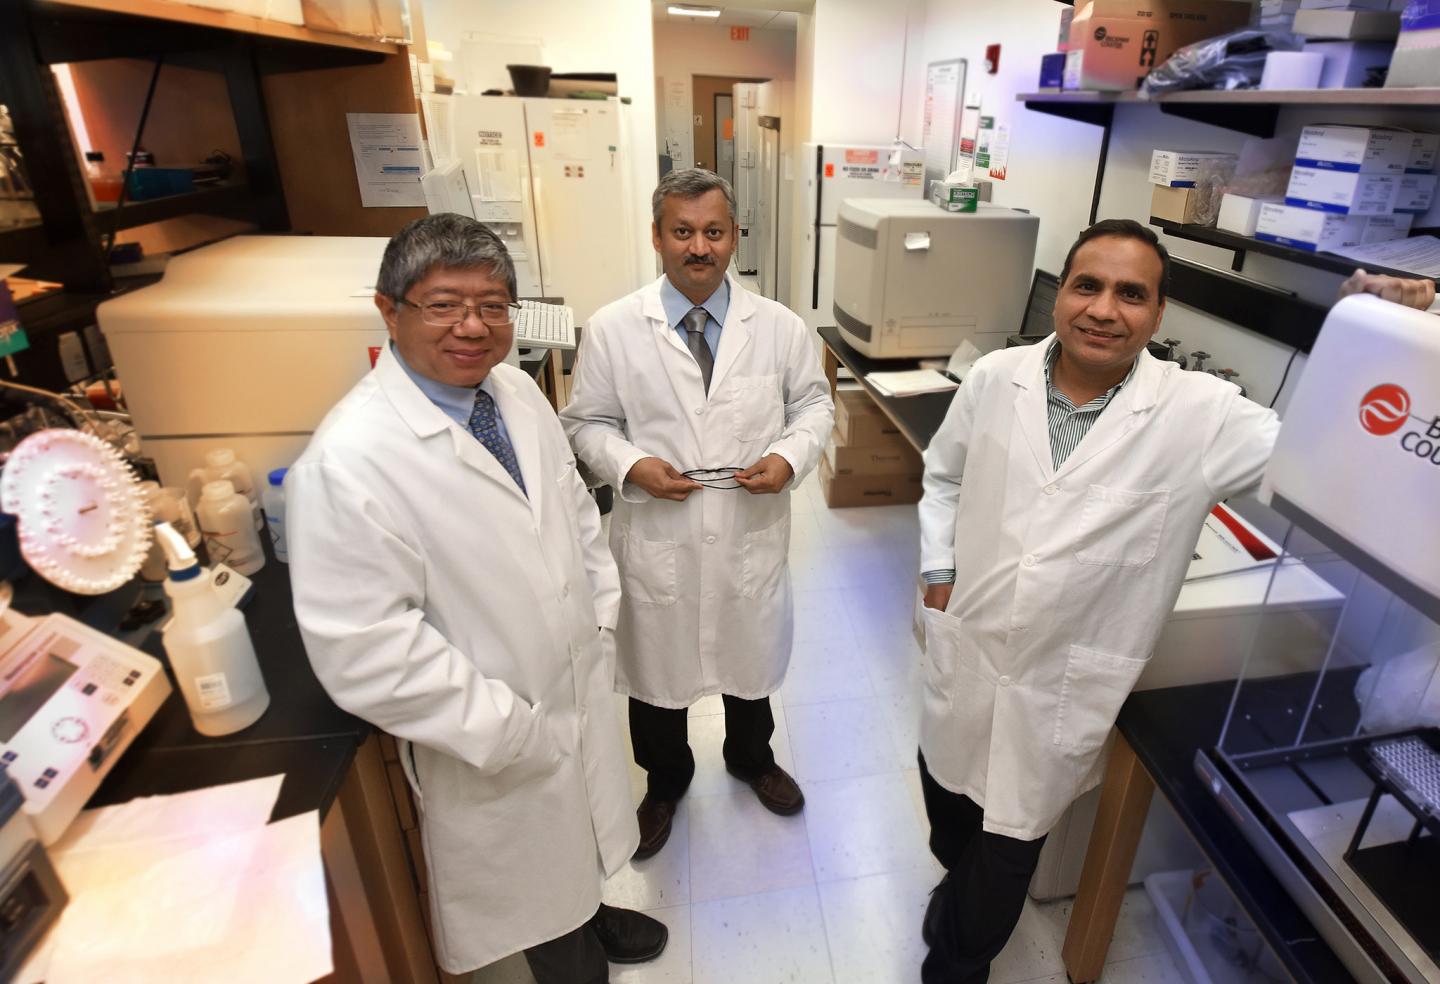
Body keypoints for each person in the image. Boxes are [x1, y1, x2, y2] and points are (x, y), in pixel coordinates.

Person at [914, 218, 1435, 984]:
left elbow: (1327, 460)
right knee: (950, 816)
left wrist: (1388, 346)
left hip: (1056, 692)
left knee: (1005, 853)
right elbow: (945, 473)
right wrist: (937, 570)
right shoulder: (997, 377)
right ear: (1061, 294)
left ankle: (957, 965)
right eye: (1088, 286)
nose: (1104, 309)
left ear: (1158, 315)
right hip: (965, 651)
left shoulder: (1205, 414)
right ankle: (956, 897)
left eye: (1132, 294)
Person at [287, 214, 666, 984]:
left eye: (493, 306)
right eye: (443, 305)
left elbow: (575, 511)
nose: (472, 326)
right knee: (541, 890)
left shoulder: (516, 392)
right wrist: (507, 729)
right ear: (389, 311)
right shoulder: (349, 461)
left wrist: (599, 617)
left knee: (582, 834)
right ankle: (574, 952)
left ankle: (591, 912)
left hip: (570, 674)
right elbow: (368, 650)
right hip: (492, 730)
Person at [560, 169, 834, 858]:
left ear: (734, 235)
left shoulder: (778, 328)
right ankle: (664, 782)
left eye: (714, 231)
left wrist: (789, 457)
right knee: (657, 672)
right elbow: (586, 421)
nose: (699, 247)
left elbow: (813, 405)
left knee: (748, 653)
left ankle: (751, 759)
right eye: (682, 231)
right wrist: (631, 466)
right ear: (657, 237)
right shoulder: (615, 329)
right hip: (661, 535)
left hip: (747, 531)